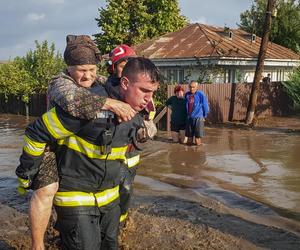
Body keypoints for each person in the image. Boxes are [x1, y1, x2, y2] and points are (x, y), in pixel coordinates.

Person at [16, 35, 159, 249]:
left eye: (92, 69)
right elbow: (49, 123)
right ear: (69, 67)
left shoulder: (114, 89)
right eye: (82, 70)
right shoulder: (62, 85)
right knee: (46, 190)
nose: (87, 76)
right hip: (54, 152)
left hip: (103, 186)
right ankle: (38, 245)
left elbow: (143, 124)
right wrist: (26, 172)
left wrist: (143, 129)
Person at [185, 80, 209, 146]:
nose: (191, 88)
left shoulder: (201, 94)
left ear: (196, 87)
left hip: (198, 118)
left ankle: (198, 153)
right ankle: (189, 153)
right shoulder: (187, 94)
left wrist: (204, 116)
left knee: (197, 138)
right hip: (189, 118)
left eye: (193, 87)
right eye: (190, 87)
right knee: (189, 137)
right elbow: (186, 105)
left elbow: (205, 106)